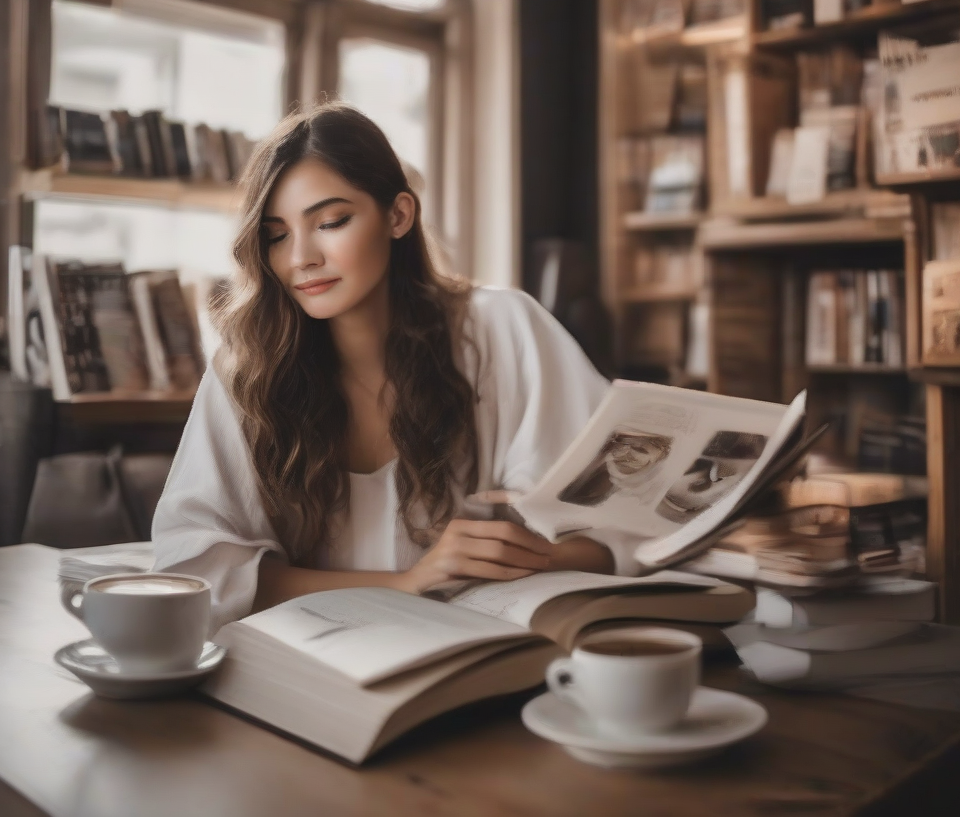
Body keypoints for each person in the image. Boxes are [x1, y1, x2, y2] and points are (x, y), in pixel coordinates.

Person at [152, 104, 633, 631]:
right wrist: (408, 582)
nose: (300, 257)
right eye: (277, 234)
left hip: (472, 656)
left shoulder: (501, 328)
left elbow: (619, 529)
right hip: (309, 667)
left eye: (331, 222)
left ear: (399, 215)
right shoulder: (247, 369)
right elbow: (200, 570)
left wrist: (501, 557)